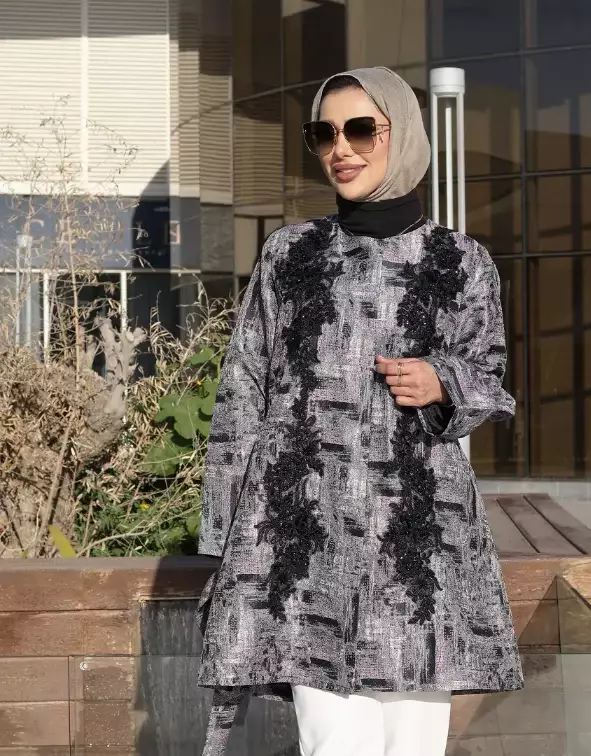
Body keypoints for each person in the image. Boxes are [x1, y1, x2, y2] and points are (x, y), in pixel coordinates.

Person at [197, 66, 524, 756]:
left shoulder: (459, 261)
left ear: (400, 134)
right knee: (332, 745)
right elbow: (243, 390)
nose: (340, 149)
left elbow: (491, 380)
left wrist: (441, 381)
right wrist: (226, 538)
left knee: (413, 747)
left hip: (417, 546)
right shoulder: (290, 254)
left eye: (360, 130)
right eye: (324, 134)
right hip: (303, 538)